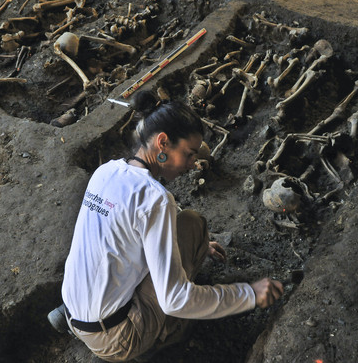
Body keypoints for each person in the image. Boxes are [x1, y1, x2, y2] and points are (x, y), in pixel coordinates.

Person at [48, 91, 283, 362]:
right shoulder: (155, 198)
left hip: (76, 313)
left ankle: (77, 311)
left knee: (190, 226)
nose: (194, 164)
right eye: (189, 154)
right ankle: (164, 338)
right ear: (163, 142)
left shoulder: (106, 171)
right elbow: (176, 299)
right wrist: (249, 293)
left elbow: (122, 227)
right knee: (190, 238)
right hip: (116, 338)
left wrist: (196, 243)